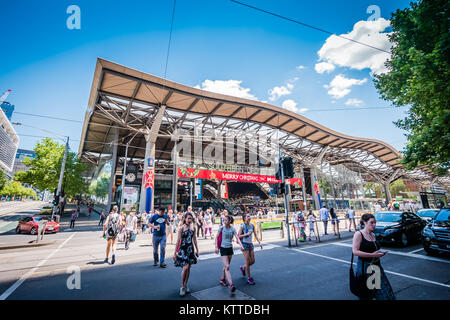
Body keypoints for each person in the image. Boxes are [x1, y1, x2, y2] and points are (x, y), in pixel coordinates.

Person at [352, 213, 395, 300]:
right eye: (371, 222)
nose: (374, 225)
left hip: (376, 267)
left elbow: (373, 250)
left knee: (384, 293)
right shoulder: (359, 234)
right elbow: (355, 251)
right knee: (366, 294)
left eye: (375, 222)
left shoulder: (373, 235)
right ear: (364, 222)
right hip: (365, 269)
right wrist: (372, 255)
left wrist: (379, 254)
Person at [215, 215, 245, 294]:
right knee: (227, 266)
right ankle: (231, 284)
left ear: (229, 221)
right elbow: (216, 237)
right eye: (223, 220)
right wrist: (216, 247)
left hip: (230, 249)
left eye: (225, 220)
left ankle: (222, 279)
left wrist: (241, 246)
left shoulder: (232, 229)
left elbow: (237, 238)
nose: (224, 222)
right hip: (223, 248)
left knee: (226, 266)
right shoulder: (221, 228)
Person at [173, 212, 199, 297]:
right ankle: (182, 286)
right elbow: (178, 241)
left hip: (190, 250)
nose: (189, 220)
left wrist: (197, 250)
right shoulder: (181, 228)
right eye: (188, 218)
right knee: (185, 267)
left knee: (189, 268)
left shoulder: (194, 228)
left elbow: (194, 239)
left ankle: (185, 285)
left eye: (191, 218)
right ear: (185, 219)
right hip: (183, 250)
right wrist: (175, 253)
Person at [238, 213, 263, 285]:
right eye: (247, 216)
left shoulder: (252, 225)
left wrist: (259, 243)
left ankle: (243, 268)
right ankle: (249, 278)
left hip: (250, 244)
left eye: (249, 216)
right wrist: (246, 234)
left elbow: (255, 234)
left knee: (253, 261)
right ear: (244, 218)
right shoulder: (242, 226)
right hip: (244, 245)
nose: (249, 217)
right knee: (248, 261)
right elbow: (238, 236)